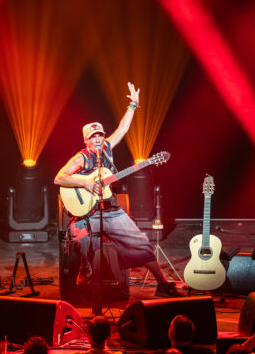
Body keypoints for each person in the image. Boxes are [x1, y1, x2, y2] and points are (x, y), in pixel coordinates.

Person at [54, 82, 181, 297]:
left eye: (100, 135)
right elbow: (59, 178)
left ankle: (162, 284)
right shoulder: (81, 158)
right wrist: (86, 183)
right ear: (86, 140)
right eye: (93, 136)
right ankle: (85, 268)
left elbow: (123, 129)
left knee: (140, 242)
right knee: (81, 238)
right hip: (86, 213)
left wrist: (132, 106)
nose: (97, 139)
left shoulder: (106, 149)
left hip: (111, 210)